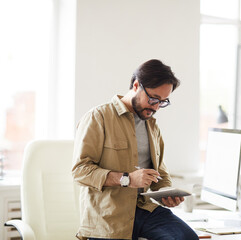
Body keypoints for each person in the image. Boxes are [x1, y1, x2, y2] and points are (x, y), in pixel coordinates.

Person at [72, 59, 198, 240]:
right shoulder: (98, 118)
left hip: (143, 209)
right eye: (153, 98)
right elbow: (79, 171)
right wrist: (127, 179)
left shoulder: (152, 126)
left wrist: (166, 192)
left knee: (186, 238)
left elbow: (159, 170)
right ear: (136, 85)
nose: (155, 107)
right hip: (108, 217)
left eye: (162, 102)